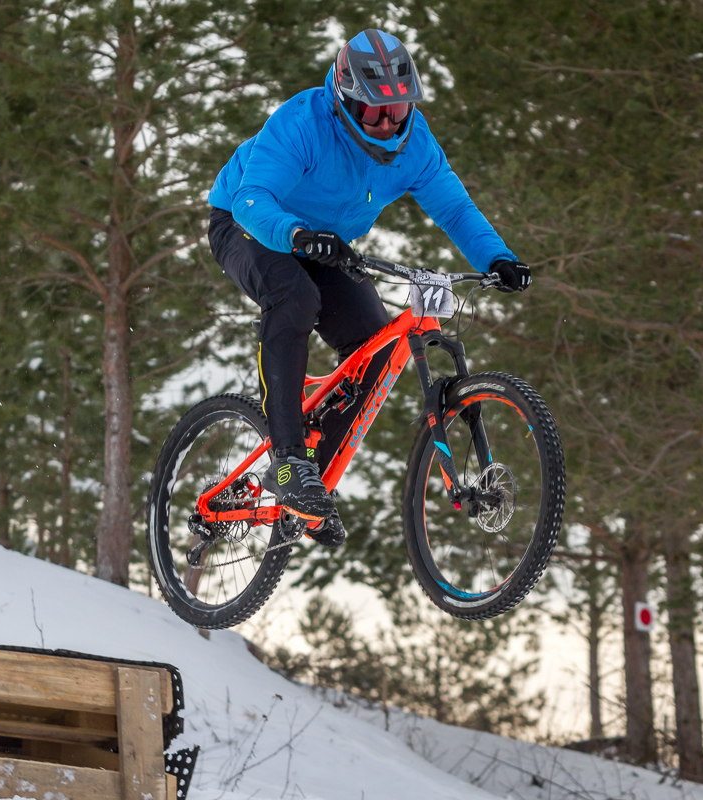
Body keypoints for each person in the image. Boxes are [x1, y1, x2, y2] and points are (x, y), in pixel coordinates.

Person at [206, 29, 530, 547]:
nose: (387, 123)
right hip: (250, 225)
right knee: (294, 299)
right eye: (374, 111)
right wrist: (296, 235)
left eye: (397, 109)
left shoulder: (414, 144)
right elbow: (252, 199)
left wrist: (498, 258)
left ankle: (313, 484)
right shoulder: (303, 121)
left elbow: (454, 209)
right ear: (345, 99)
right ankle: (288, 462)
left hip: (326, 244)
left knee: (377, 349)